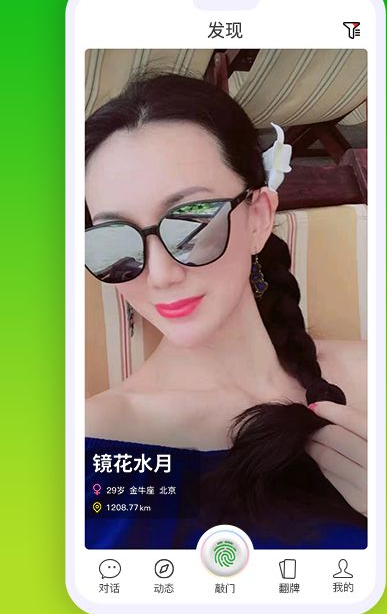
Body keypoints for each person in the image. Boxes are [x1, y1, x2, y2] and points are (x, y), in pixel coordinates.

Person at [84, 70, 367, 549]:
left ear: (258, 218)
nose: (160, 274)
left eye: (191, 223)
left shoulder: (385, 378)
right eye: (115, 240)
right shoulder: (90, 442)